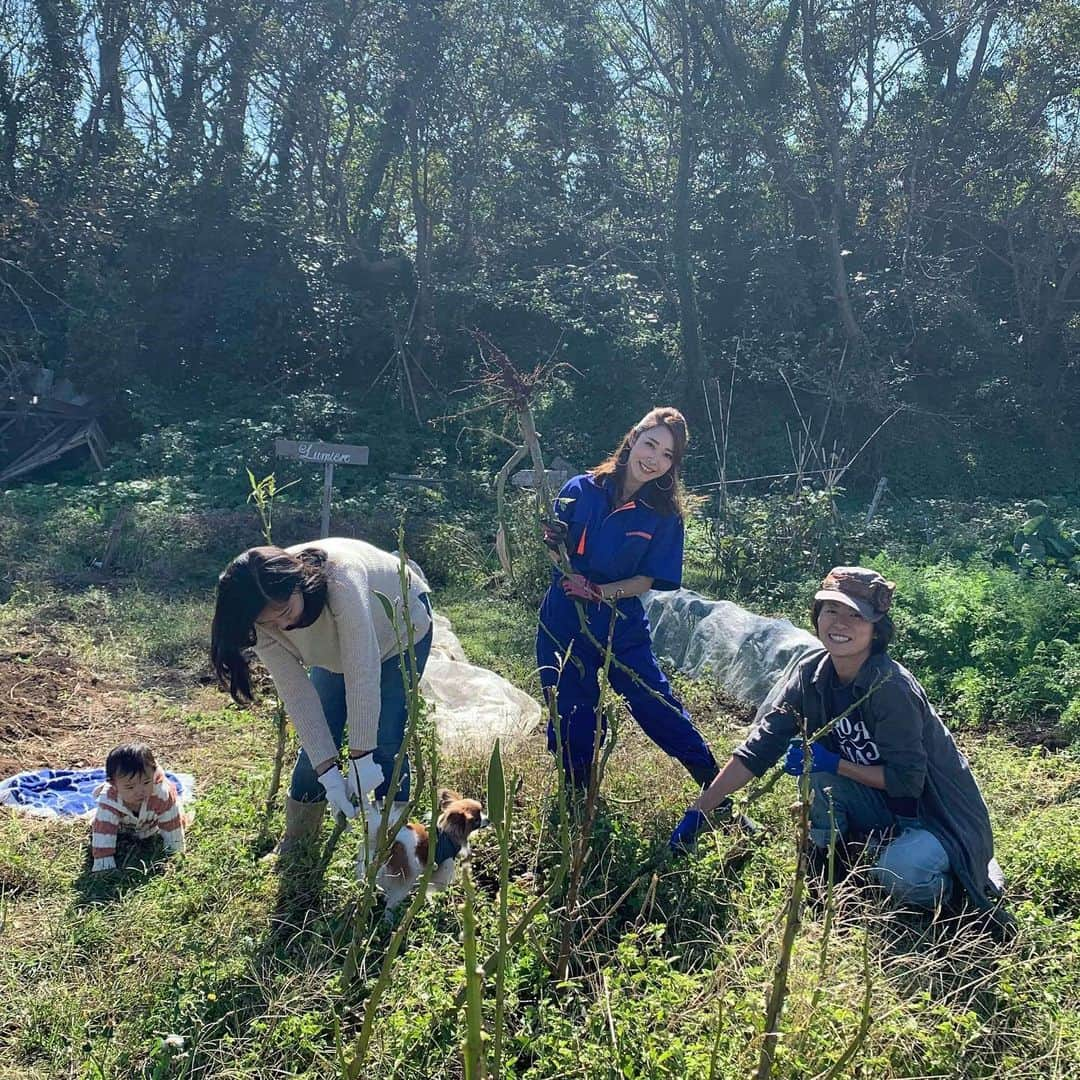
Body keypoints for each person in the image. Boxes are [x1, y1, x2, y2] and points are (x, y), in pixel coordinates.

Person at [670, 567, 1005, 913]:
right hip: (886, 804)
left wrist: (836, 763)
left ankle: (952, 887)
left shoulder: (889, 688)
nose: (840, 624)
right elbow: (760, 748)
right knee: (817, 775)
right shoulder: (811, 674)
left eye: (855, 615)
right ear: (817, 617)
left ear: (876, 631)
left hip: (938, 816)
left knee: (901, 873)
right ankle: (840, 858)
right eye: (831, 611)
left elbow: (908, 780)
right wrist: (700, 810)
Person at [211, 537, 433, 857]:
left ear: (299, 583)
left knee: (386, 738)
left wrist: (361, 757)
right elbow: (297, 694)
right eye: (269, 622)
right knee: (319, 738)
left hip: (398, 627)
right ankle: (299, 839)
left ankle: (392, 846)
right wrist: (329, 774)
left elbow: (362, 670)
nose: (282, 625)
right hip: (336, 649)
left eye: (285, 612)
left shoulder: (342, 578)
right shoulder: (257, 618)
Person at [536, 406, 718, 791]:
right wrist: (555, 547)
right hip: (564, 617)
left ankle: (713, 787)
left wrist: (600, 591)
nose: (654, 459)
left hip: (619, 620)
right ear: (633, 437)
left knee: (654, 701)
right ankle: (578, 795)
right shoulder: (580, 490)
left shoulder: (663, 515)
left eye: (668, 455)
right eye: (650, 444)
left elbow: (648, 579)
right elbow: (557, 551)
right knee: (570, 710)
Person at [90, 743, 186, 872]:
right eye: (130, 787)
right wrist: (103, 865)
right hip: (123, 828)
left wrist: (176, 853)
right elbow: (103, 832)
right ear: (113, 784)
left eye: (146, 782)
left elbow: (172, 823)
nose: (140, 791)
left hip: (151, 826)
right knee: (102, 826)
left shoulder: (162, 794)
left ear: (153, 774)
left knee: (177, 815)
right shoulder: (109, 802)